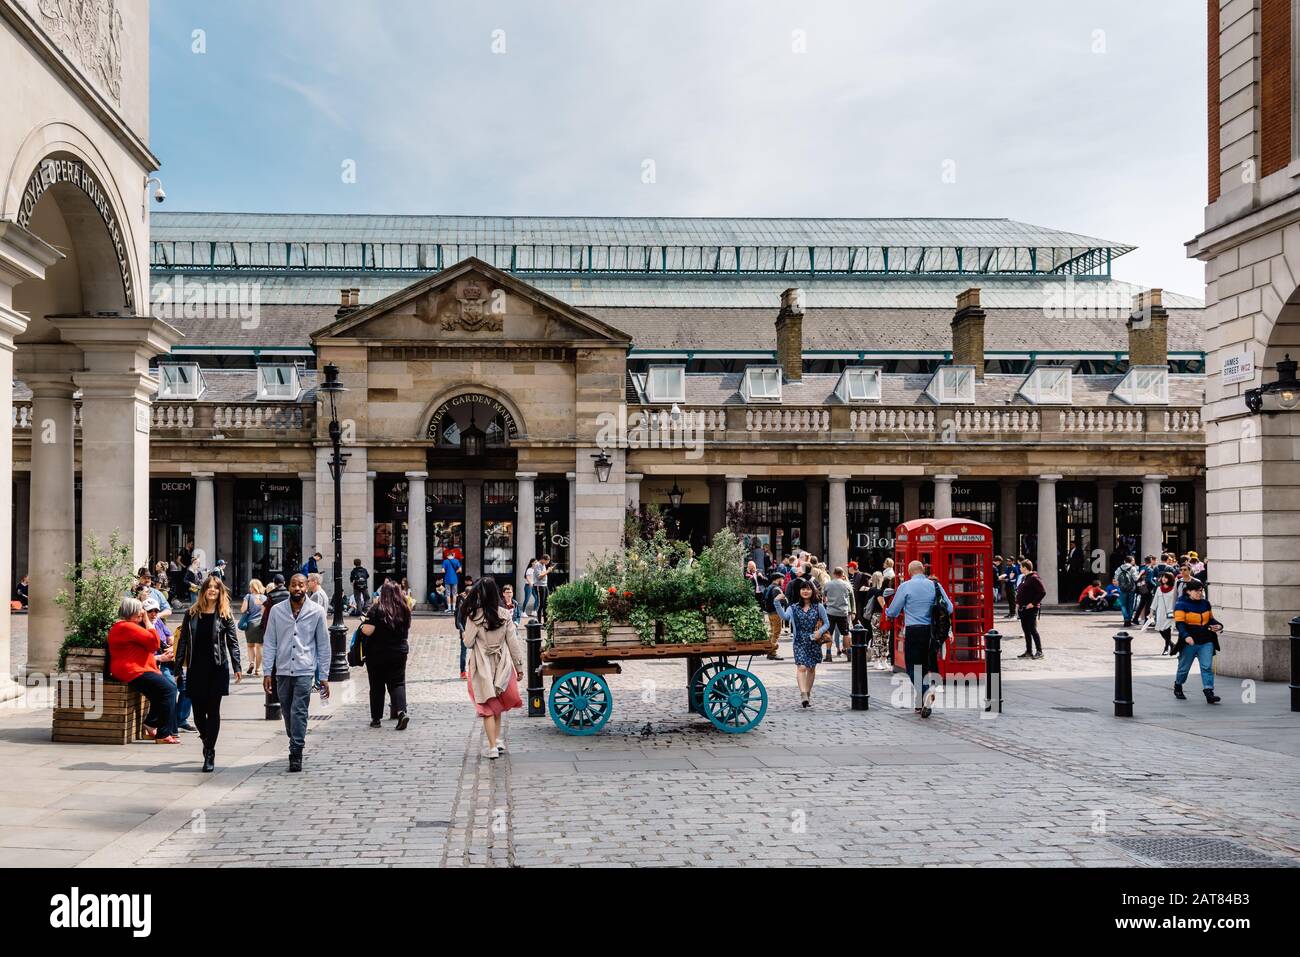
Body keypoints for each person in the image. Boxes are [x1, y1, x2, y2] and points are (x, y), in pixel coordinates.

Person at [262, 573, 331, 772]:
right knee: (287, 711)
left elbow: (324, 645)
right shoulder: (277, 611)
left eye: (301, 585)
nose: (298, 589)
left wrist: (324, 675)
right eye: (294, 585)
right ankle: (295, 739)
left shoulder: (316, 611)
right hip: (282, 670)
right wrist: (267, 671)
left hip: (304, 670)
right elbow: (270, 643)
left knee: (299, 711)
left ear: (307, 587)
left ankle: (296, 752)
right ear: (289, 587)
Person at [175, 574, 242, 772]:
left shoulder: (225, 614)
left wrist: (237, 666)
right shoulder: (192, 613)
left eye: (216, 587)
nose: (212, 590)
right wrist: (178, 668)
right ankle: (206, 740)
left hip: (217, 668)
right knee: (197, 715)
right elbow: (183, 642)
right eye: (209, 587)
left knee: (213, 712)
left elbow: (233, 642)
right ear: (203, 590)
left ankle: (210, 752)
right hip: (196, 668)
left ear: (220, 591)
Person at [460, 577, 525, 759]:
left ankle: (492, 747)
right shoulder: (505, 615)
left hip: (482, 664)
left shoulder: (474, 616)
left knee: (487, 706)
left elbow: (468, 642)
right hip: (502, 664)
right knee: (498, 704)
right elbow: (513, 643)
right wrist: (519, 667)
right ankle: (496, 740)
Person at [883, 560, 954, 718]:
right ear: (923, 570)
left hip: (914, 631)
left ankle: (926, 691)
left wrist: (886, 610)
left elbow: (893, 612)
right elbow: (949, 608)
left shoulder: (905, 586)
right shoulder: (935, 585)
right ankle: (921, 702)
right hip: (931, 632)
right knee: (924, 666)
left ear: (909, 572)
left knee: (912, 667)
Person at [107, 597, 179, 744]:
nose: (142, 613)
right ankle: (163, 734)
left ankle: (151, 724)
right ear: (130, 611)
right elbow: (154, 643)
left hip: (133, 668)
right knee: (169, 690)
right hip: (133, 670)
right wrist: (147, 621)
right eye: (139, 610)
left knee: (161, 693)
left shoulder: (124, 626)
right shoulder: (127, 627)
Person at [359, 579, 411, 730]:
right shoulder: (404, 609)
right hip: (399, 651)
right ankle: (401, 712)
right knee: (398, 683)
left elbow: (368, 630)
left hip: (377, 653)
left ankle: (376, 719)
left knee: (376, 685)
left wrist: (362, 624)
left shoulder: (376, 609)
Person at [774, 580, 829, 708]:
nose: (805, 591)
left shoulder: (818, 607)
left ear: (813, 591)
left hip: (813, 641)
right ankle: (803, 693)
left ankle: (808, 693)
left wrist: (819, 632)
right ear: (799, 591)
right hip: (799, 641)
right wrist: (777, 602)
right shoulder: (793, 607)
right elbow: (785, 617)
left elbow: (827, 623)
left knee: (811, 668)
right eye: (803, 589)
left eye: (808, 589)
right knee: (801, 667)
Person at [1172, 580, 1222, 704]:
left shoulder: (1205, 604)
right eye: (1197, 591)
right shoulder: (1181, 604)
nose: (1200, 593)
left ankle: (1209, 691)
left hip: (1206, 640)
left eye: (1201, 590)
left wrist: (1219, 625)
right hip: (1190, 642)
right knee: (1184, 668)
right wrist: (1186, 636)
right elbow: (1180, 624)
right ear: (1188, 591)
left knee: (1207, 667)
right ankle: (1178, 685)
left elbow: (1211, 620)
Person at [1015, 559, 1046, 659]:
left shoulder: (1034, 578)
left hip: (1031, 609)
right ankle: (1029, 651)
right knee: (1026, 631)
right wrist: (1017, 603)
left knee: (1032, 630)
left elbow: (1042, 592)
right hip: (1023, 609)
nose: (1020, 568)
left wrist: (1033, 603)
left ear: (1025, 567)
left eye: (1021, 567)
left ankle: (1039, 651)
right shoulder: (1025, 578)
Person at [823, 567, 854, 662]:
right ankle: (849, 653)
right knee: (845, 633)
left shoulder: (828, 584)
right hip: (843, 612)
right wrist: (852, 612)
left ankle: (828, 654)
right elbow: (851, 598)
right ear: (842, 574)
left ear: (834, 574)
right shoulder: (847, 585)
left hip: (830, 612)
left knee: (829, 633)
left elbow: (824, 597)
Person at [240, 579, 266, 676]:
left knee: (250, 646)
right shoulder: (264, 598)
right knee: (259, 647)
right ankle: (258, 670)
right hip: (260, 624)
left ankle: (251, 663)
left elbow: (243, 609)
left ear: (252, 587)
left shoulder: (248, 596)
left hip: (250, 624)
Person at [1150, 570, 1178, 655]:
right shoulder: (1159, 589)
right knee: (1160, 630)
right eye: (1163, 577)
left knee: (1167, 630)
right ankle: (1172, 645)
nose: (1164, 579)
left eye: (1166, 577)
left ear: (1170, 579)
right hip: (1160, 613)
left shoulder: (1174, 590)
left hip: (1170, 613)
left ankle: (1166, 648)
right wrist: (1151, 612)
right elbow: (1155, 601)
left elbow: (1177, 601)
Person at [760, 576, 786, 661]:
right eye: (782, 579)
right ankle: (772, 652)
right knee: (776, 633)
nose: (783, 581)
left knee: (772, 632)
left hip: (770, 612)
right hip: (776, 613)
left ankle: (770, 652)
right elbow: (782, 600)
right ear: (778, 579)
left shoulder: (769, 587)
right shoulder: (776, 589)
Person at [455, 575, 475, 679]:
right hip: (465, 632)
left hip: (474, 631)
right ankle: (463, 671)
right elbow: (459, 620)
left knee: (476, 651)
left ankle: (474, 670)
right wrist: (462, 631)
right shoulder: (462, 606)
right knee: (463, 651)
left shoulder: (476, 604)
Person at [1114, 555, 1139, 627]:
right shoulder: (1133, 568)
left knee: (1123, 605)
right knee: (1130, 605)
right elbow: (1135, 579)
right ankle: (1129, 620)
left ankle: (1126, 619)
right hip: (1131, 589)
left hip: (1122, 589)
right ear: (1131, 561)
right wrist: (1140, 574)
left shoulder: (1119, 568)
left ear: (1124, 561)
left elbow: (1116, 578)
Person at [534, 555, 552, 620]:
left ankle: (545, 622)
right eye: (547, 561)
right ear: (543, 559)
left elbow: (543, 574)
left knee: (546, 604)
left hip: (544, 585)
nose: (547, 563)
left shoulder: (543, 565)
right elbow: (539, 577)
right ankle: (539, 622)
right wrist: (548, 571)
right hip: (539, 586)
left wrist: (547, 571)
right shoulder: (537, 565)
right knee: (540, 604)